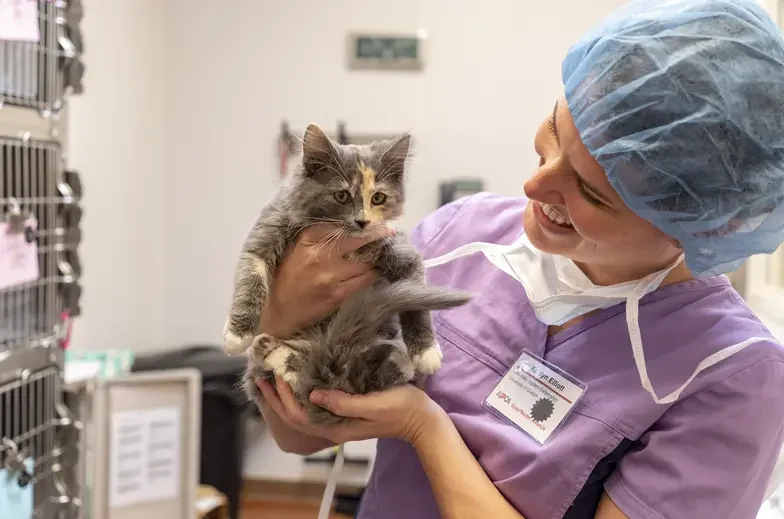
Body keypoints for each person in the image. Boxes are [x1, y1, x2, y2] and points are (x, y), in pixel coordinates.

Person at [252, 0, 784, 517]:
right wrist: (284, 317)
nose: (535, 183)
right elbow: (299, 431)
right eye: (554, 133)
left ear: (699, 223)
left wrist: (423, 427)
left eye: (592, 194)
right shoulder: (458, 237)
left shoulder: (730, 376)